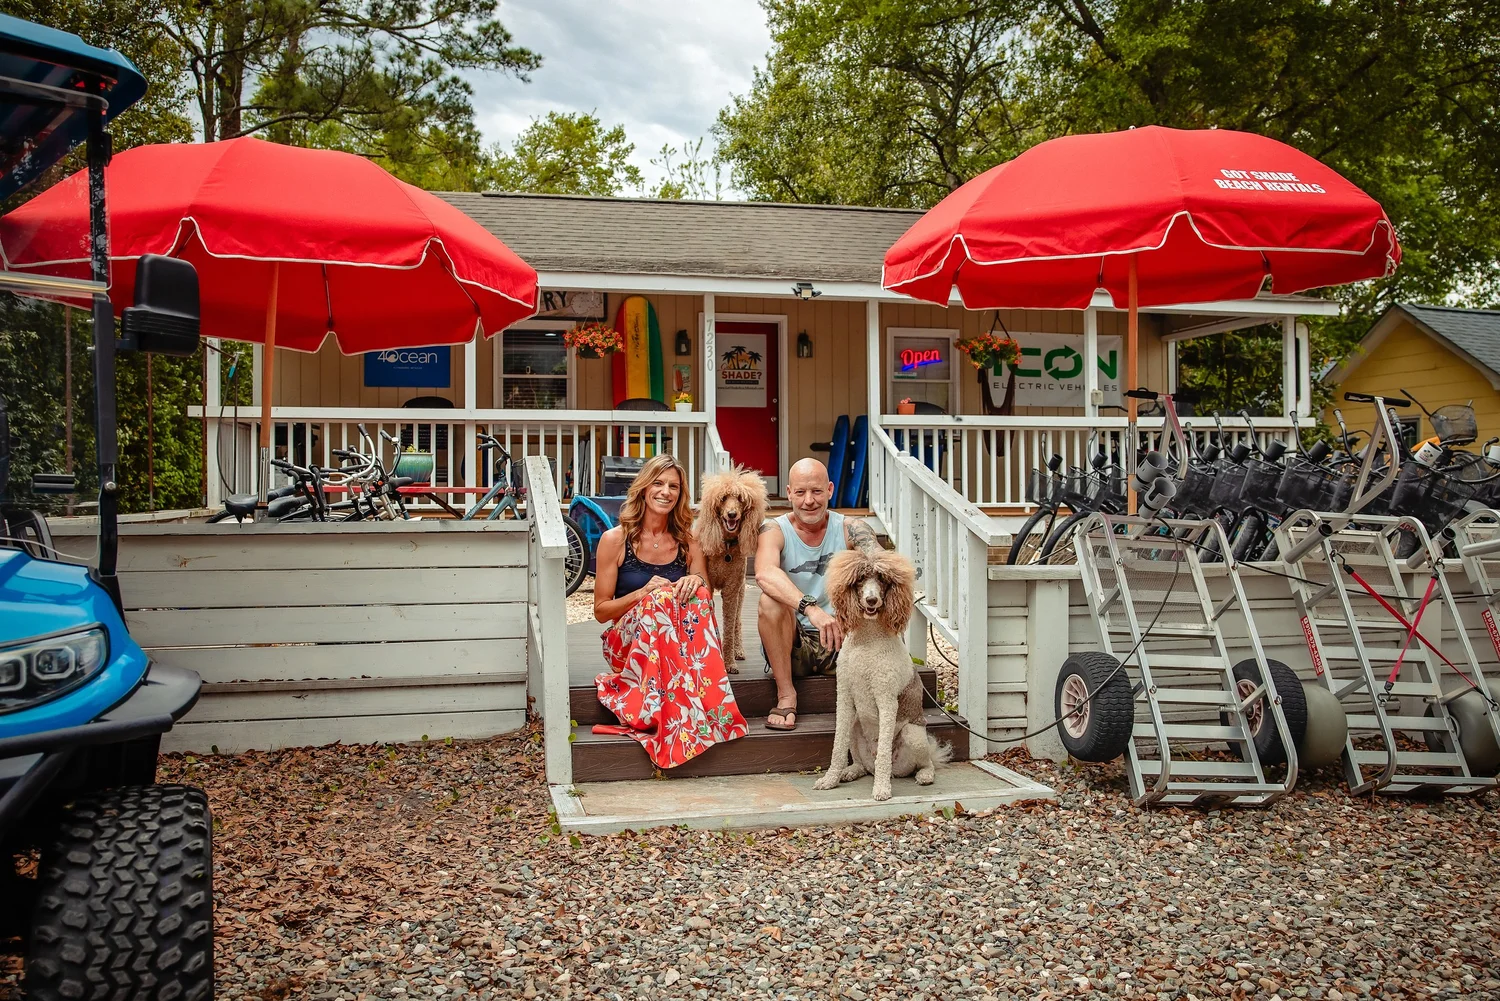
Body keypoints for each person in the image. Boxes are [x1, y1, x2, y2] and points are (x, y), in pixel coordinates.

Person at [593, 453, 748, 767]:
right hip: (628, 645)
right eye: (658, 483)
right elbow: (600, 611)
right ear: (644, 488)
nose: (666, 491)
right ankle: (677, 714)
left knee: (698, 595)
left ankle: (709, 707)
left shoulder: (688, 539)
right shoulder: (615, 540)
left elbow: (703, 584)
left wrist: (693, 578)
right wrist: (643, 592)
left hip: (678, 646)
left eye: (673, 486)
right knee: (662, 596)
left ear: (681, 494)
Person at [755, 457, 883, 730]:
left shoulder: (851, 528)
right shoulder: (773, 529)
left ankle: (868, 701)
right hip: (792, 644)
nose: (809, 501)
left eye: (816, 491)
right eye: (800, 492)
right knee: (769, 602)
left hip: (841, 640)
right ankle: (786, 694)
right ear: (789, 492)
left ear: (830, 490)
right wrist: (812, 609)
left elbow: (882, 566)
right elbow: (765, 573)